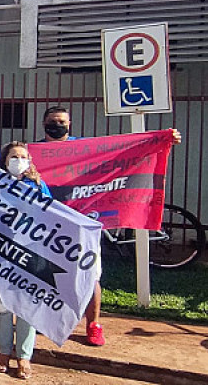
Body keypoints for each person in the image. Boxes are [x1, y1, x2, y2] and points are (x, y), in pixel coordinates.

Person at [39, 105, 181, 347]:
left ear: (69, 125)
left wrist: (163, 140)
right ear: (44, 124)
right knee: (48, 273)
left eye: (62, 121)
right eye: (53, 121)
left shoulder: (84, 148)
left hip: (85, 225)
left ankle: (93, 325)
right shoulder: (36, 151)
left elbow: (123, 153)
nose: (57, 124)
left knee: (90, 275)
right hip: (50, 222)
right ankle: (49, 319)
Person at [0, 141, 49, 379]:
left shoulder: (38, 186)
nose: (18, 160)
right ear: (5, 161)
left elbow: (51, 216)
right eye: (13, 156)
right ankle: (3, 352)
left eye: (23, 156)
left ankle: (24, 357)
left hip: (30, 253)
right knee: (2, 306)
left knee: (27, 308)